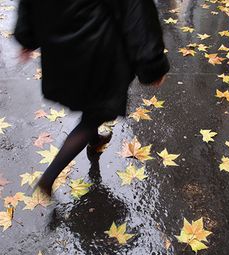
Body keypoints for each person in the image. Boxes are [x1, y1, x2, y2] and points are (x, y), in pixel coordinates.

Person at [14, 0, 170, 196]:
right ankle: (49, 177)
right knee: (98, 111)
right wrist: (152, 64)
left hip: (63, 47)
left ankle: (95, 140)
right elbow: (138, 14)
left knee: (94, 105)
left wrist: (26, 37)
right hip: (101, 48)